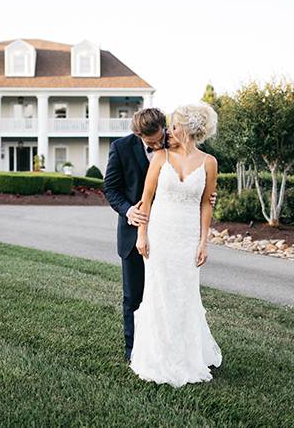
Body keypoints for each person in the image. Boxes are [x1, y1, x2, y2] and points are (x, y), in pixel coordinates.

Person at [103, 107, 216, 364]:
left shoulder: (174, 142)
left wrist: (201, 193)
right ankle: (135, 351)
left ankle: (174, 350)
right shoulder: (121, 148)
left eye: (159, 138)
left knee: (171, 294)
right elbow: (111, 188)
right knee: (134, 296)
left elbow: (194, 178)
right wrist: (129, 211)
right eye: (150, 142)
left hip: (175, 233)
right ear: (138, 135)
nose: (156, 144)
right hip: (135, 231)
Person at [128, 102, 223, 387]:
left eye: (174, 125)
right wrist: (141, 234)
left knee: (184, 296)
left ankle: (185, 356)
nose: (170, 129)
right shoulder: (161, 157)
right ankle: (157, 355)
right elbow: (146, 198)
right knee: (158, 293)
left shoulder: (209, 163)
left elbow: (207, 203)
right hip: (159, 235)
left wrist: (204, 242)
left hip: (186, 237)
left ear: (188, 129)